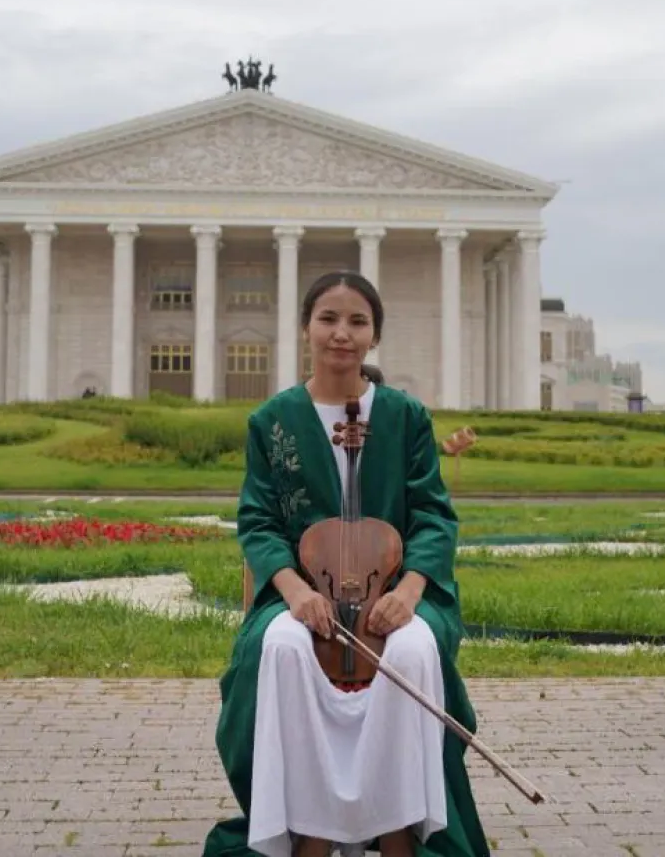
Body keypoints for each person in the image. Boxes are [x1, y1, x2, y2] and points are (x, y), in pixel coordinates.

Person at [204, 272, 489, 857]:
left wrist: (409, 591)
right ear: (305, 327)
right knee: (277, 649)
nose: (342, 333)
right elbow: (257, 521)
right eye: (329, 319)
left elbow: (433, 516)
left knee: (412, 650)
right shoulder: (272, 421)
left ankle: (404, 831)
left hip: (398, 590)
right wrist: (292, 590)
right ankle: (299, 828)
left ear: (374, 335)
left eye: (357, 321)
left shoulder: (406, 416)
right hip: (302, 591)